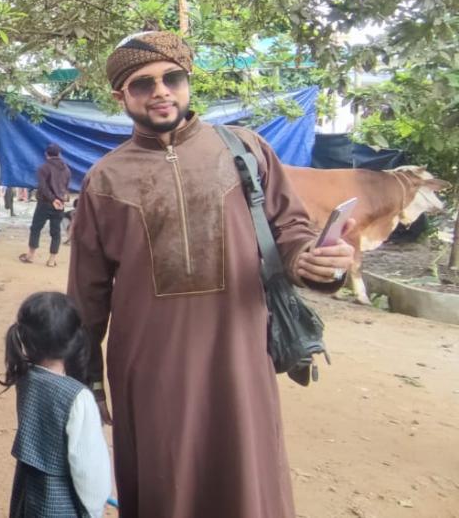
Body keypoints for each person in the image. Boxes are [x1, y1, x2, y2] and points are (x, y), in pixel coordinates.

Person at [68, 31, 356, 518]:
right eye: (143, 84)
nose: (160, 91)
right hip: (150, 365)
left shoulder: (245, 149)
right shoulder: (106, 179)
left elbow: (291, 229)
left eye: (171, 78)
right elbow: (87, 295)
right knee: (165, 477)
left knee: (246, 474)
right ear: (121, 96)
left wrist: (311, 259)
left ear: (187, 82)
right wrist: (85, 382)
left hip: (238, 352)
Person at [0, 292, 111, 518]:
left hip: (28, 492)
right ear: (75, 339)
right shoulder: (79, 398)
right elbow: (89, 469)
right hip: (61, 504)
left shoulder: (25, 377)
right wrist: (95, 509)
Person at [22, 144, 71, 267]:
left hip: (45, 203)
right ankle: (52, 260)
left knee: (36, 228)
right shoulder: (67, 169)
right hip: (59, 204)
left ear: (46, 154)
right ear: (59, 154)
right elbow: (65, 188)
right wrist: (60, 199)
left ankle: (31, 256)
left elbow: (43, 187)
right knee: (55, 232)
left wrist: (52, 199)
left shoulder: (43, 168)